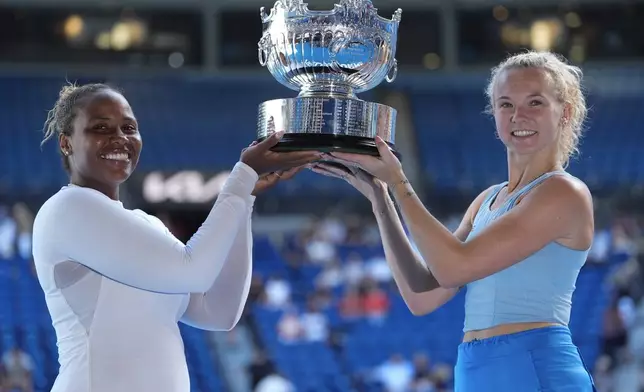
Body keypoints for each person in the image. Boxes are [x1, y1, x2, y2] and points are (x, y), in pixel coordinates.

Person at [312, 51, 596, 391]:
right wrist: (381, 199)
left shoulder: (564, 192)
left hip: (535, 370)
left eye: (535, 102)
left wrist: (400, 183)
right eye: (506, 104)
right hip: (475, 371)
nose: (518, 115)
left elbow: (454, 268)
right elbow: (423, 296)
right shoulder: (486, 201)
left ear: (564, 112)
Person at [32, 83, 322, 392]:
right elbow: (194, 271)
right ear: (66, 143)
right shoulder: (66, 209)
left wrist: (244, 199)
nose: (120, 138)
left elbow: (219, 312)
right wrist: (241, 178)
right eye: (100, 128)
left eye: (129, 127)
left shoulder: (147, 224)